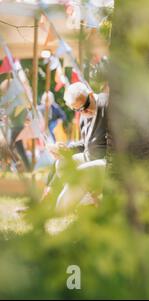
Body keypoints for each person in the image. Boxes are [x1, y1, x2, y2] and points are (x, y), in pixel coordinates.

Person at [45, 82, 109, 212]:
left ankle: (59, 211)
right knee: (61, 164)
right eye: (77, 109)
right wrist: (67, 149)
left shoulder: (106, 104)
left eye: (85, 106)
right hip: (89, 157)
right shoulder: (84, 115)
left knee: (80, 171)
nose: (83, 111)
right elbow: (86, 144)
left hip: (108, 160)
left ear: (90, 94)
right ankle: (86, 201)